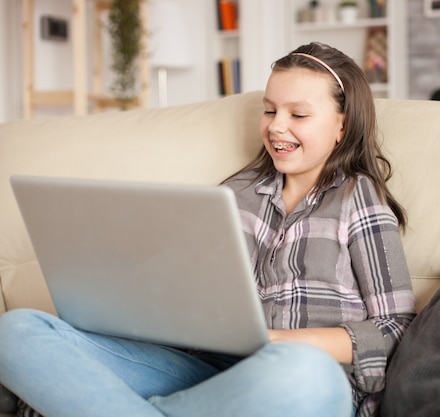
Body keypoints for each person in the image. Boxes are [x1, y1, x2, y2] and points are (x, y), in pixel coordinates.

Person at [0, 42, 416, 417]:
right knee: (16, 331)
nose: (276, 126)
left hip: (288, 378)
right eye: (269, 110)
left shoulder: (358, 199)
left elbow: (395, 328)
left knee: (307, 372)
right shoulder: (233, 195)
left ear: (342, 126)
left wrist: (277, 341)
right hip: (204, 370)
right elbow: (186, 298)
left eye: (299, 114)